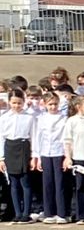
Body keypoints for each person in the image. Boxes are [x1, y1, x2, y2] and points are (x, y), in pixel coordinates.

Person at [31, 93, 68, 224]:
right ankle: (48, 212)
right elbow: (37, 137)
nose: (53, 107)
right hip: (45, 153)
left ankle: (61, 212)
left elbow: (65, 138)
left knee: (60, 183)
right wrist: (37, 157)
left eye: (55, 104)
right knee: (47, 184)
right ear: (45, 105)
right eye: (50, 104)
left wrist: (66, 156)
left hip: (59, 153)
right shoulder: (41, 118)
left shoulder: (64, 118)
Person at [1, 94, 35, 222]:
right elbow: (1, 138)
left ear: (23, 102)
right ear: (9, 102)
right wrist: (1, 158)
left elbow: (33, 136)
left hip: (23, 146)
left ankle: (26, 213)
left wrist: (33, 156)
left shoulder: (29, 117)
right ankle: (17, 213)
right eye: (14, 103)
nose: (16, 106)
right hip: (10, 147)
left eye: (19, 103)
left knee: (25, 182)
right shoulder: (4, 118)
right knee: (13, 183)